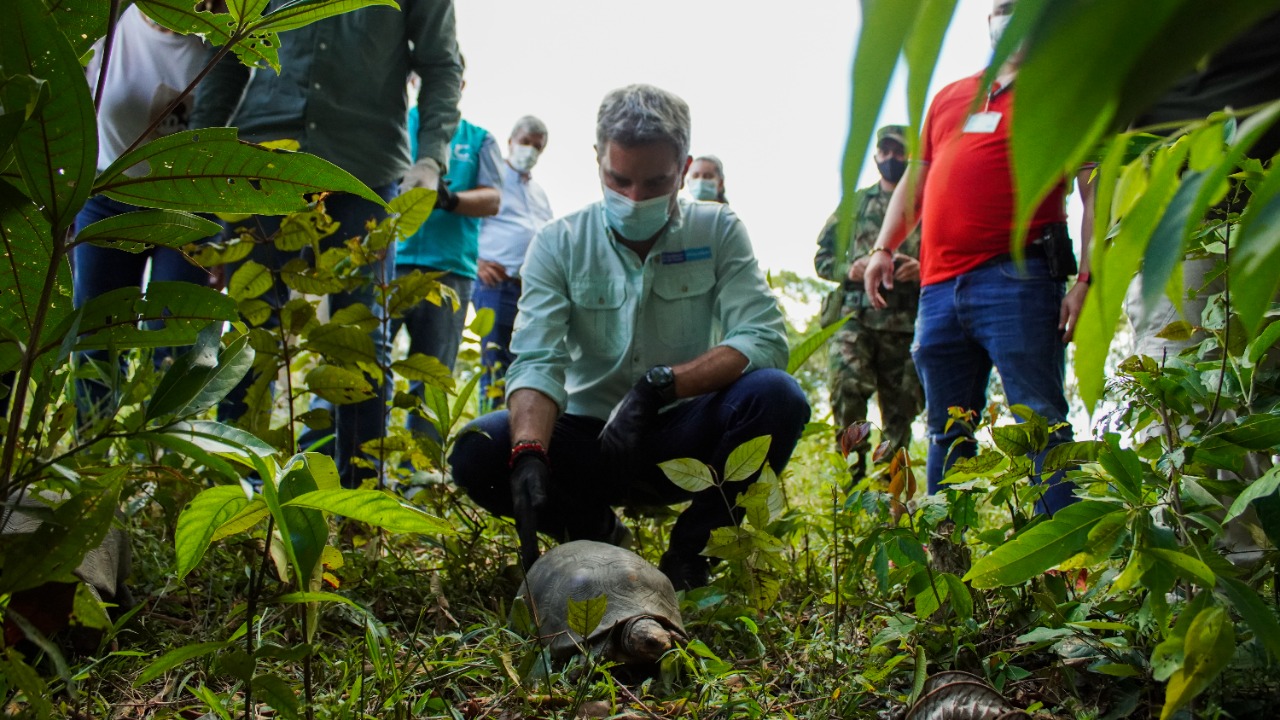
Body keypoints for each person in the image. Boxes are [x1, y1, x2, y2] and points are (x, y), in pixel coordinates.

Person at [449, 84, 810, 589]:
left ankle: (691, 553)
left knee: (778, 396)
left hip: (678, 436)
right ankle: (595, 531)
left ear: (683, 170)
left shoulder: (718, 230)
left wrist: (660, 386)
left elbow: (764, 337)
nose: (635, 197)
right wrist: (530, 451)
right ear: (597, 161)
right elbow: (537, 359)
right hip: (584, 439)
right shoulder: (558, 242)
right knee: (478, 447)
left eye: (656, 181)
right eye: (619, 179)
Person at [190, 0, 463, 488]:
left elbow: (441, 65)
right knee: (247, 321)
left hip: (366, 171)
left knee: (361, 334)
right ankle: (234, 485)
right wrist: (201, 151)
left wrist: (431, 158)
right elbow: (227, 55)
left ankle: (359, 496)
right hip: (263, 161)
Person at [863, 0, 1094, 516]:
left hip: (1020, 278)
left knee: (1039, 422)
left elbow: (1093, 190)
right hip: (939, 289)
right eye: (1004, 6)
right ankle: (950, 575)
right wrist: (884, 247)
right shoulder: (949, 97)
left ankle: (1061, 566)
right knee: (947, 429)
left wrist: (1087, 279)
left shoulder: (1067, 87)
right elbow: (915, 182)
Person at [73, 4, 215, 416]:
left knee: (174, 340)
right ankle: (93, 457)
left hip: (190, 207)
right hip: (106, 196)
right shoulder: (108, 23)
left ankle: (159, 461)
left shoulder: (223, 43)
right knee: (97, 339)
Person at [393, 67, 502, 437]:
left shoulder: (479, 139)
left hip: (449, 271)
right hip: (388, 264)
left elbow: (492, 198)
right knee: (359, 366)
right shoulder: (390, 128)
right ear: (413, 82)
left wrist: (450, 199)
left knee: (432, 380)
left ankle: (418, 478)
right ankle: (345, 466)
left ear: (460, 85)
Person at [814, 125, 923, 478]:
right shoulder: (856, 204)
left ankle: (891, 497)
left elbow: (951, 255)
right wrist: (850, 269)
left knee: (900, 412)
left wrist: (923, 269)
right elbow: (822, 259)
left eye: (899, 151)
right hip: (856, 319)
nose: (891, 157)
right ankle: (853, 485)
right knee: (847, 390)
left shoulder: (927, 203)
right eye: (885, 151)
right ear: (877, 155)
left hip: (906, 324)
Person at [473, 116, 553, 412]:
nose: (529, 150)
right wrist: (475, 262)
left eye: (537, 146)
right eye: (525, 143)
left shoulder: (538, 193)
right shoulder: (492, 181)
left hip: (530, 292)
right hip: (495, 285)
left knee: (523, 365)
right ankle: (487, 434)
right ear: (510, 142)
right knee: (494, 366)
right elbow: (468, 224)